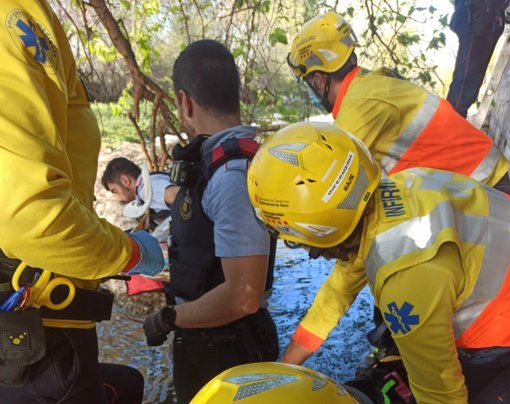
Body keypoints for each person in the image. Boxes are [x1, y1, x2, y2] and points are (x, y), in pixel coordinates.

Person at [247, 121, 510, 403]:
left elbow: (442, 395)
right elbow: (334, 296)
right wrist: (284, 371)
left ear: (312, 234)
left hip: (497, 332)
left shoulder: (404, 276)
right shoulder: (396, 189)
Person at [0, 1, 164, 403]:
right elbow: (33, 219)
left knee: (126, 385)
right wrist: (128, 254)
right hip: (40, 344)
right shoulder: (14, 16)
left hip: (36, 343)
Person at [142, 40, 279, 404]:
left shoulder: (232, 175)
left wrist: (169, 318)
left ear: (185, 103)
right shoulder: (218, 166)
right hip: (208, 339)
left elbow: (243, 297)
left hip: (229, 348)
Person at [287, 11, 510, 194]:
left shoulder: (359, 106)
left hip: (487, 190)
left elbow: (328, 184)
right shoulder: (374, 82)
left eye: (307, 82)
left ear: (317, 79)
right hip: (485, 180)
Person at [447, 0, 509, 117]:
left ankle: (451, 122)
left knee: (471, 82)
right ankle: (449, 125)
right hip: (478, 16)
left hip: (488, 18)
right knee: (467, 82)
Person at [102, 157, 179, 212]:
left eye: (115, 191)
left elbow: (176, 194)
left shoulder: (145, 190)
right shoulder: (149, 180)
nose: (116, 197)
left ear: (125, 180)